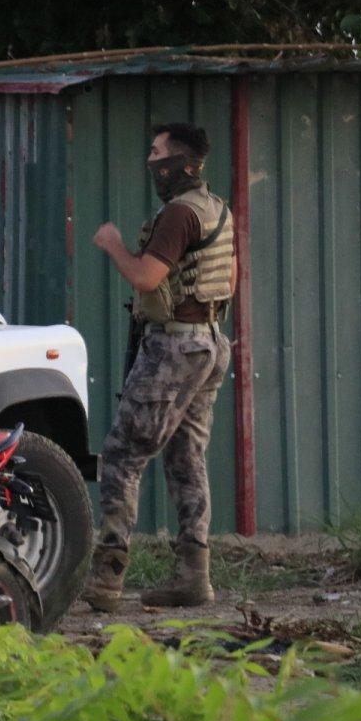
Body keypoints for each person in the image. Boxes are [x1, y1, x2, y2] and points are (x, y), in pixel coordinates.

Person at [82, 122, 236, 610]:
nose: (150, 161)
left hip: (174, 347)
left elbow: (147, 278)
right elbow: (230, 279)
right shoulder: (217, 209)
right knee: (187, 456)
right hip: (209, 342)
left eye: (155, 152)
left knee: (122, 454)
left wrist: (114, 245)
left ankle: (106, 578)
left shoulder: (178, 214)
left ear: (177, 164)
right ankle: (194, 577)